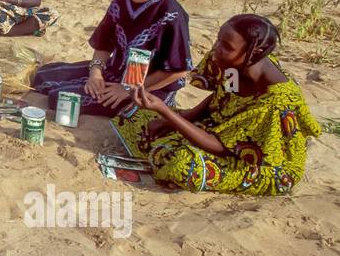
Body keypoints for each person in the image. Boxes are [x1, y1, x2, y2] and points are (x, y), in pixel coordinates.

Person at [111, 15, 321, 196]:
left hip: (259, 163)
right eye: (219, 41)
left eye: (226, 47)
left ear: (254, 53)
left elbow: (223, 147)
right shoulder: (237, 65)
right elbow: (223, 96)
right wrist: (182, 117)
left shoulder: (275, 100)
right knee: (134, 114)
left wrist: (167, 114)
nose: (216, 50)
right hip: (222, 128)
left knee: (183, 165)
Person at [32, 0, 191, 118]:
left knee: (61, 99)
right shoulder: (121, 2)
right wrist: (96, 74)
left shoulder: (170, 13)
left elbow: (179, 71)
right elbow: (104, 45)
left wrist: (126, 89)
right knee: (43, 76)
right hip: (117, 71)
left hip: (149, 86)